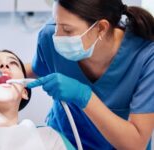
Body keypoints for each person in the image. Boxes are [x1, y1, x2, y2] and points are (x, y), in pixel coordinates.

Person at [25, 0, 154, 149]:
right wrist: (5, 65)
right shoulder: (49, 35)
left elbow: (136, 144)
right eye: (56, 23)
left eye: (67, 30)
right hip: (62, 142)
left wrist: (84, 96)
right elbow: (37, 69)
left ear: (101, 28)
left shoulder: (146, 57)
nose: (57, 36)